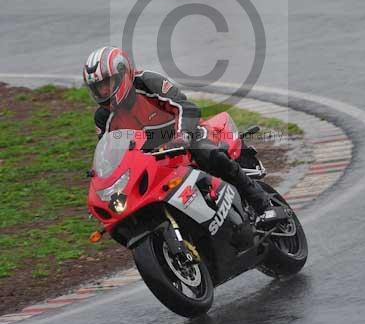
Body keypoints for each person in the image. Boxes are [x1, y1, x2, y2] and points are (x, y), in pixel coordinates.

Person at [83, 46, 270, 216]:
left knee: (205, 151)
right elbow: (109, 155)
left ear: (123, 74)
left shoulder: (147, 83)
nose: (103, 91)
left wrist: (182, 136)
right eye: (98, 88)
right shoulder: (103, 117)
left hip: (188, 135)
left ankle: (261, 203)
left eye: (107, 83)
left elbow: (185, 107)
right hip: (153, 159)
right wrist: (103, 186)